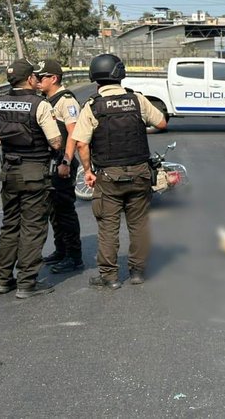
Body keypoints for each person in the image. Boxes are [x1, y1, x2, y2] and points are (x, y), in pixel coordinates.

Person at [72, 54, 167, 289]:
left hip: (108, 176)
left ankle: (110, 276)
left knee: (107, 227)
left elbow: (82, 144)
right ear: (120, 74)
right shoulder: (137, 100)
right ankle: (137, 272)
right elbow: (162, 123)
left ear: (95, 78)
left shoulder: (92, 106)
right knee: (139, 224)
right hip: (140, 173)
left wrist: (88, 171)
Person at [0, 59, 62, 299]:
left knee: (10, 225)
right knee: (32, 226)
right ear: (30, 79)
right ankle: (27, 282)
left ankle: (2, 280)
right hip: (34, 174)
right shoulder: (39, 105)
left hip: (8, 172)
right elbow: (56, 142)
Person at [37, 59, 84, 274]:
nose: (37, 81)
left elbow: (74, 133)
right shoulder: (47, 100)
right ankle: (61, 249)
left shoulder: (66, 101)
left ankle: (74, 257)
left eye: (41, 77)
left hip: (62, 162)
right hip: (51, 162)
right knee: (54, 211)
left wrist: (66, 160)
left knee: (65, 210)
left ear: (53, 78)